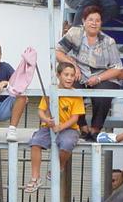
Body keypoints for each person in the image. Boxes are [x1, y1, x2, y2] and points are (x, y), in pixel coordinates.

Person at [55, 5, 123, 140]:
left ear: (101, 23)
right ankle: (82, 127)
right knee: (71, 88)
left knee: (102, 94)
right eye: (90, 19)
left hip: (102, 76)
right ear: (83, 21)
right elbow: (58, 52)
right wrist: (74, 66)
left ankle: (95, 129)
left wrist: (98, 78)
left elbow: (117, 68)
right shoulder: (75, 33)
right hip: (79, 73)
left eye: (97, 20)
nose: (94, 23)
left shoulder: (108, 41)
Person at [24, 62, 85, 193]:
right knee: (35, 143)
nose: (69, 78)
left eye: (72, 75)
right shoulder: (51, 91)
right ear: (58, 75)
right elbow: (40, 111)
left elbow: (75, 118)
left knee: (67, 143)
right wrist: (47, 120)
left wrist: (61, 126)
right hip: (48, 127)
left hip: (69, 128)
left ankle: (59, 166)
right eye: (66, 75)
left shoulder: (76, 94)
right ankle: (35, 177)